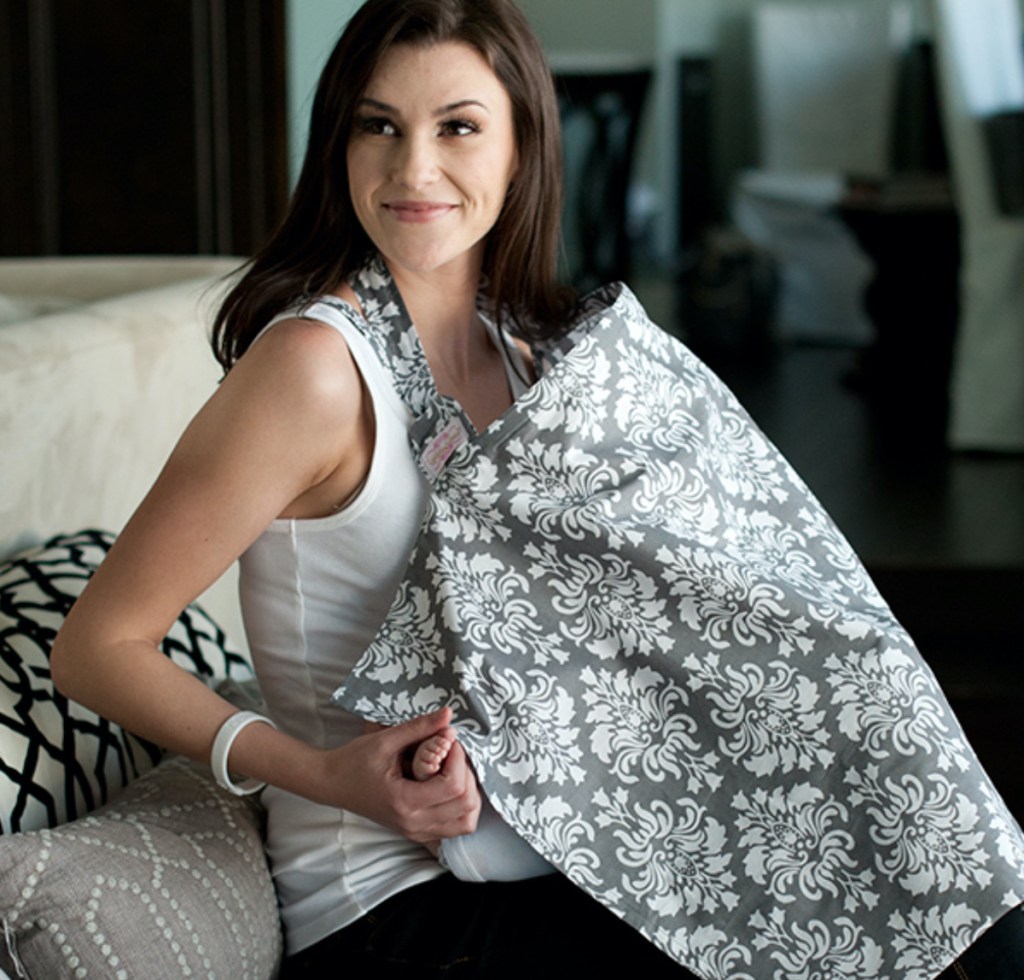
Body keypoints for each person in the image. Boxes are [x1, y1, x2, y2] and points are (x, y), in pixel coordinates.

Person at [49, 0, 1024, 977]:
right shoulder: (311, 368)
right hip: (398, 908)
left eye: (458, 126)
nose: (412, 168)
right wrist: (327, 773)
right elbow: (98, 646)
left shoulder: (531, 356)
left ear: (522, 148)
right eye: (378, 124)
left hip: (559, 855)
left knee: (947, 867)